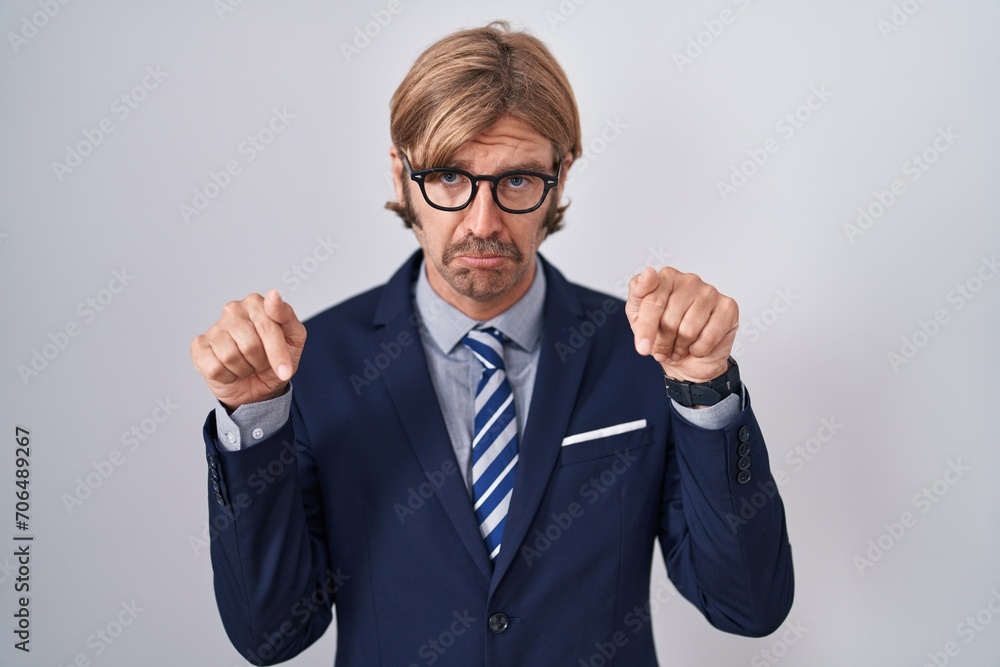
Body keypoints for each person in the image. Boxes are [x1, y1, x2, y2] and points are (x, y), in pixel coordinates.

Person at [190, 22, 793, 667]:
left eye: (516, 181)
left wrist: (704, 387)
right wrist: (254, 420)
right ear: (401, 177)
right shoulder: (310, 366)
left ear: (559, 179)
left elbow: (747, 607)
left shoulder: (644, 353)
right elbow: (271, 635)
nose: (483, 223)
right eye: (449, 178)